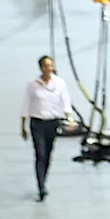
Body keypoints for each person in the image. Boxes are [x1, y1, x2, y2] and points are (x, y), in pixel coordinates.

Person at [22, 56, 71, 200]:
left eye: (50, 65)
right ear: (41, 67)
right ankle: (41, 186)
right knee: (40, 154)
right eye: (45, 66)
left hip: (52, 122)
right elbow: (26, 105)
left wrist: (69, 117)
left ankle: (44, 178)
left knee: (48, 153)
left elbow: (65, 100)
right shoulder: (33, 85)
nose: (48, 68)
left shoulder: (59, 83)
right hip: (37, 123)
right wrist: (23, 126)